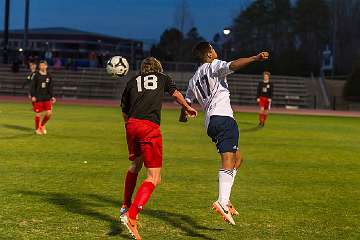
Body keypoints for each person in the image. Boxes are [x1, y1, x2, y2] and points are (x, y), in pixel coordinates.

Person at [180, 42, 268, 225]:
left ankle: (226, 199)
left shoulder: (193, 79)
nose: (215, 50)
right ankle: (221, 201)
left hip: (211, 123)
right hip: (223, 117)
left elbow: (186, 102)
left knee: (238, 159)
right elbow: (233, 65)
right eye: (212, 48)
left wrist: (184, 115)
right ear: (209, 54)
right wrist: (254, 58)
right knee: (228, 159)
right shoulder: (214, 65)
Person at [120, 57, 197, 239]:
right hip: (149, 127)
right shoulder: (162, 78)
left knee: (135, 165)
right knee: (154, 177)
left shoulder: (132, 81)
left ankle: (125, 205)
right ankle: (131, 216)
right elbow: (176, 93)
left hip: (131, 125)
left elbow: (124, 108)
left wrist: (130, 127)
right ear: (158, 68)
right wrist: (187, 107)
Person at [30, 60, 56, 135]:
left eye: (44, 65)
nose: (42, 66)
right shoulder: (36, 75)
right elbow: (32, 86)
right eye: (41, 65)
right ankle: (37, 129)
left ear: (46, 66)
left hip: (47, 97)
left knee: (49, 113)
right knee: (38, 114)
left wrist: (52, 96)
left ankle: (42, 125)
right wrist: (33, 96)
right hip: (38, 97)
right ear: (39, 67)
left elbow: (50, 87)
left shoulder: (49, 75)